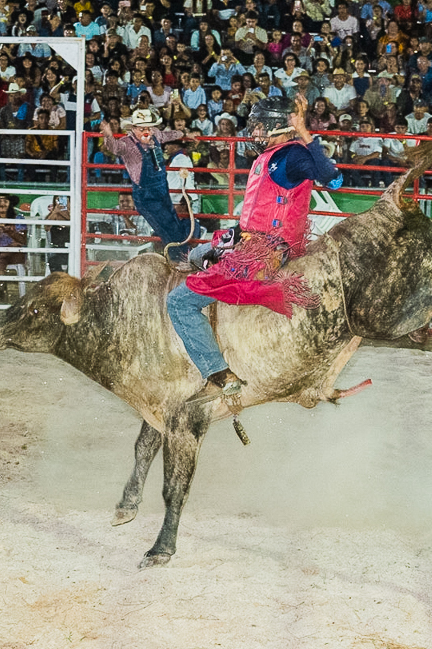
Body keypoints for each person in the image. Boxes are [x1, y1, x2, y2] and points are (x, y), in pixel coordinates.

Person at [166, 96, 342, 413]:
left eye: (260, 126)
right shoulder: (271, 156)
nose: (255, 132)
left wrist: (303, 131)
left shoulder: (292, 155)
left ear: (278, 126)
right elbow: (258, 214)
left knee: (178, 301)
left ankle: (219, 375)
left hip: (264, 252)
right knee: (196, 256)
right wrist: (224, 242)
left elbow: (335, 179)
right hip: (248, 240)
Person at [100, 108, 195, 261]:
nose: (146, 131)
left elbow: (168, 135)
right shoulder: (127, 143)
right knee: (164, 225)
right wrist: (108, 135)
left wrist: (183, 133)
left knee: (172, 222)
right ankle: (179, 258)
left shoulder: (156, 135)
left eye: (149, 128)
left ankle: (182, 256)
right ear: (133, 129)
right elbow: (114, 147)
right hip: (145, 193)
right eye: (142, 128)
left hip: (161, 189)